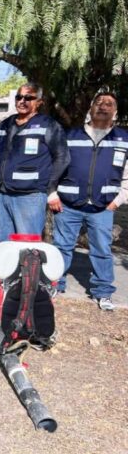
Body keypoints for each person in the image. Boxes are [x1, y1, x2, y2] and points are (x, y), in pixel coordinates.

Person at [0, 82, 70, 295]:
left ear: (38, 103)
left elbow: (62, 158)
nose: (22, 101)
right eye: (19, 97)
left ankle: (28, 287)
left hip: (30, 195)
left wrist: (49, 188)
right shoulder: (5, 124)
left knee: (28, 246)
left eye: (28, 98)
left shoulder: (48, 125)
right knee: (0, 242)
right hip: (3, 194)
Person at [51, 90, 128, 311]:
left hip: (103, 207)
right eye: (99, 102)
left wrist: (117, 201)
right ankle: (56, 284)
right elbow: (55, 166)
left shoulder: (123, 139)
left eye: (109, 103)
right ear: (91, 108)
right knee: (62, 247)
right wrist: (52, 194)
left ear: (115, 112)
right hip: (68, 205)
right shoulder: (71, 135)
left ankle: (103, 292)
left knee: (102, 249)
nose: (103, 106)